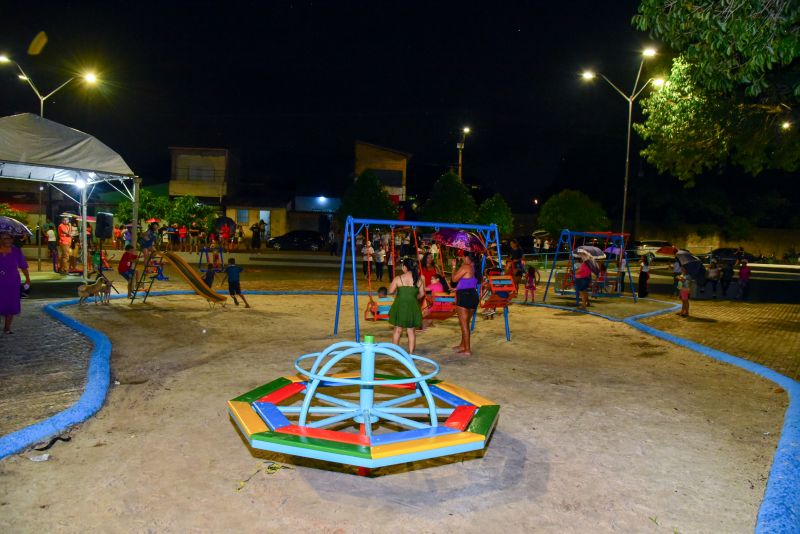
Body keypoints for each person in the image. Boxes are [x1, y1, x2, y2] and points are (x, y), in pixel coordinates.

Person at [388, 258, 425, 353]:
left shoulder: (398, 278)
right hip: (412, 306)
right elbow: (422, 294)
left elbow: (390, 291)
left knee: (397, 330)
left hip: (400, 305)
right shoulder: (419, 279)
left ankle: (394, 352)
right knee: (411, 331)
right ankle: (411, 353)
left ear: (404, 267)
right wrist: (413, 297)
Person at [0, 232, 31, 334]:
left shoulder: (16, 251)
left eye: (9, 238)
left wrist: (27, 278)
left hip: (12, 281)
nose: (7, 240)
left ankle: (7, 327)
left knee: (11, 303)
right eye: (4, 238)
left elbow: (23, 266)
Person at [451, 252, 479, 355]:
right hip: (473, 295)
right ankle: (463, 345)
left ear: (467, 257)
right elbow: (469, 282)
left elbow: (454, 279)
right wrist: (457, 287)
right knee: (466, 323)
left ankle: (467, 349)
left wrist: (454, 267)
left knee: (464, 325)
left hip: (464, 296)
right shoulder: (475, 267)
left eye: (463, 256)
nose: (462, 258)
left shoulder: (465, 266)